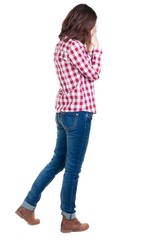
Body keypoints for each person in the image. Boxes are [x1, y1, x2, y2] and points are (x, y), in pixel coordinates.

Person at [15, 3, 102, 233]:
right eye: (93, 26)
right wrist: (96, 47)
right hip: (78, 113)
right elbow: (94, 74)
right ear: (86, 25)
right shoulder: (75, 46)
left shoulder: (61, 45)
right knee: (73, 169)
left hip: (64, 112)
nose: (94, 30)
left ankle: (27, 206)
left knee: (57, 162)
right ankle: (68, 218)